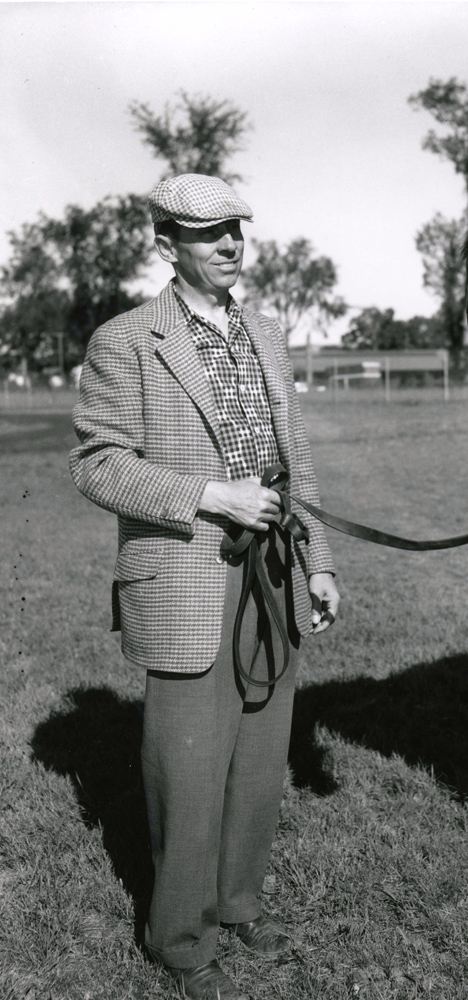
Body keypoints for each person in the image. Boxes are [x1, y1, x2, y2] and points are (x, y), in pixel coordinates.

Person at [70, 173, 340, 1000]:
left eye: (236, 230)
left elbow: (293, 465)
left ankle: (236, 900)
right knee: (188, 766)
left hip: (275, 571)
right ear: (166, 244)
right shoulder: (127, 340)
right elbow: (97, 463)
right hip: (186, 573)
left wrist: (319, 559)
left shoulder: (264, 332)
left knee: (262, 751)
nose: (229, 245)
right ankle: (177, 936)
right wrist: (207, 496)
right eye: (208, 232)